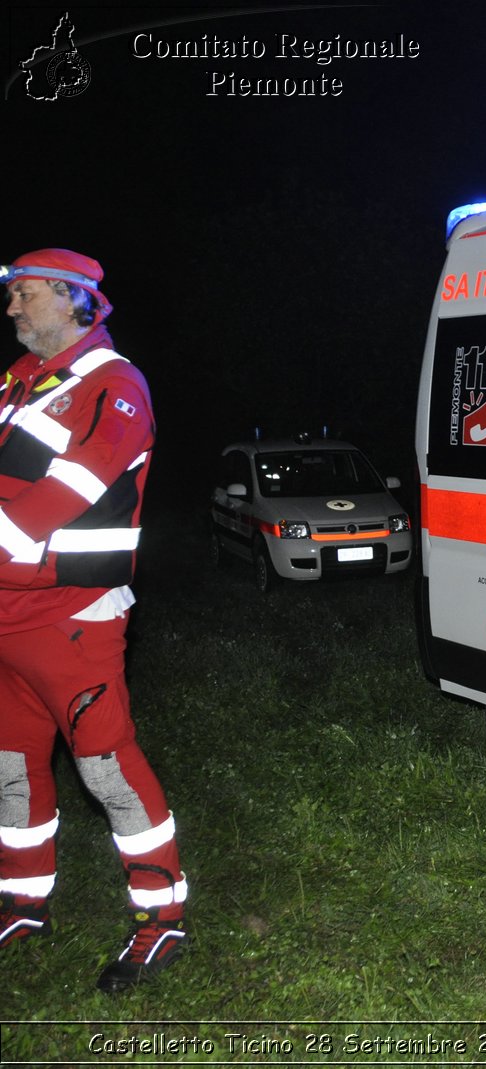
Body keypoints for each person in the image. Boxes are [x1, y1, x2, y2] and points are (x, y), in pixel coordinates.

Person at [0, 249, 189, 992]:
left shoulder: (115, 385)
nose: (13, 308)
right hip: (8, 615)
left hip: (72, 617)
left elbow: (51, 506)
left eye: (26, 294)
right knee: (12, 769)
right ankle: (22, 899)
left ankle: (160, 915)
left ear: (76, 300)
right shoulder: (18, 383)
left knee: (106, 766)